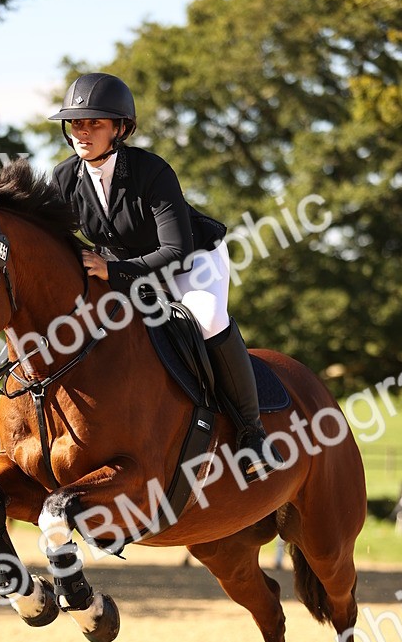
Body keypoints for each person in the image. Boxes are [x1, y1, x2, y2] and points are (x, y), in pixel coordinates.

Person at [49, 72, 275, 481]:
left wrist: (112, 270)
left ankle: (251, 433)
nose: (83, 132)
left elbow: (176, 251)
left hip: (192, 262)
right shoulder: (64, 179)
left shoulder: (150, 171)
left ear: (120, 128)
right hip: (121, 267)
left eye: (95, 123)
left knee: (206, 318)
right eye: (77, 124)